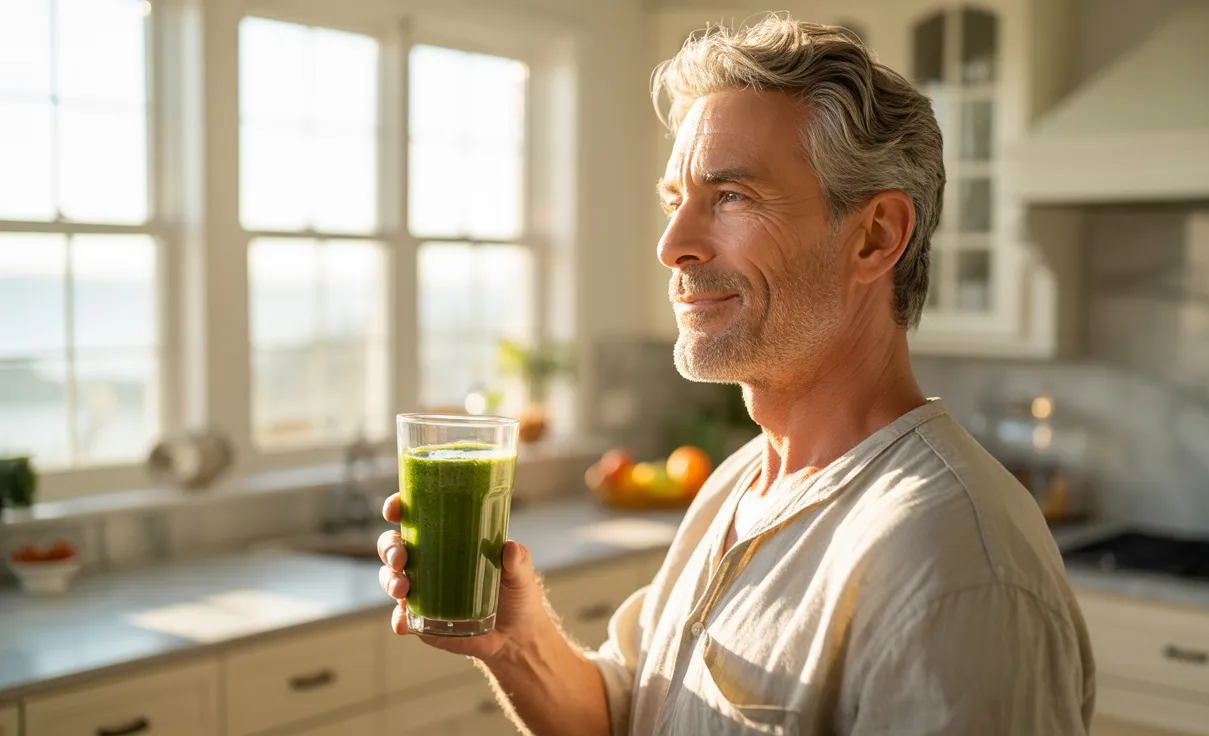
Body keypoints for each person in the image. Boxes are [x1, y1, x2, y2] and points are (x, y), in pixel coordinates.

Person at [377, 14, 1095, 735]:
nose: (672, 246)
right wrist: (514, 643)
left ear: (875, 236)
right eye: (674, 200)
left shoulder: (953, 565)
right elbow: (626, 714)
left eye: (731, 197)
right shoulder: (739, 483)